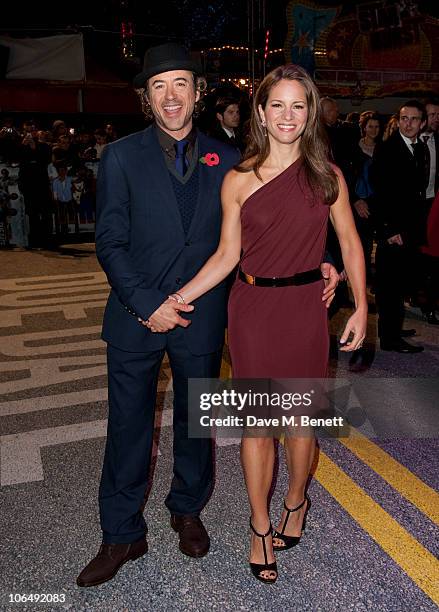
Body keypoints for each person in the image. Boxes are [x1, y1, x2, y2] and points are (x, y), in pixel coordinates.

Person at [77, 45, 339, 589]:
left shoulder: (231, 159)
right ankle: (121, 532)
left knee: (195, 426)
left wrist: (322, 262)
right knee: (127, 427)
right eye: (158, 87)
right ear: (146, 100)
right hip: (136, 314)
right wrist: (147, 302)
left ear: (199, 94)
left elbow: (269, 228)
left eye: (181, 85)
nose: (171, 96)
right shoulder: (121, 155)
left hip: (203, 316)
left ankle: (187, 510)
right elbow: (110, 241)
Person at [157, 64, 367, 583]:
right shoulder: (238, 178)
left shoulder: (327, 176)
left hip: (303, 310)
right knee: (257, 427)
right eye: (278, 104)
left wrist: (361, 304)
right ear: (261, 111)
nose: (288, 115)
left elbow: (350, 245)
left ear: (310, 112)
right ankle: (258, 525)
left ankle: (296, 500)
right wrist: (177, 297)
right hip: (250, 311)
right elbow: (228, 254)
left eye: (298, 105)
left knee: (300, 426)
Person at [371, 100, 428, 352]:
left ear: (422, 123)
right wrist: (389, 230)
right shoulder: (387, 149)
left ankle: (393, 327)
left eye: (414, 119)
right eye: (404, 118)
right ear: (398, 120)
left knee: (400, 283)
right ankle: (390, 338)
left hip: (409, 230)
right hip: (392, 231)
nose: (408, 123)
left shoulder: (421, 149)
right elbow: (380, 193)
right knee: (388, 286)